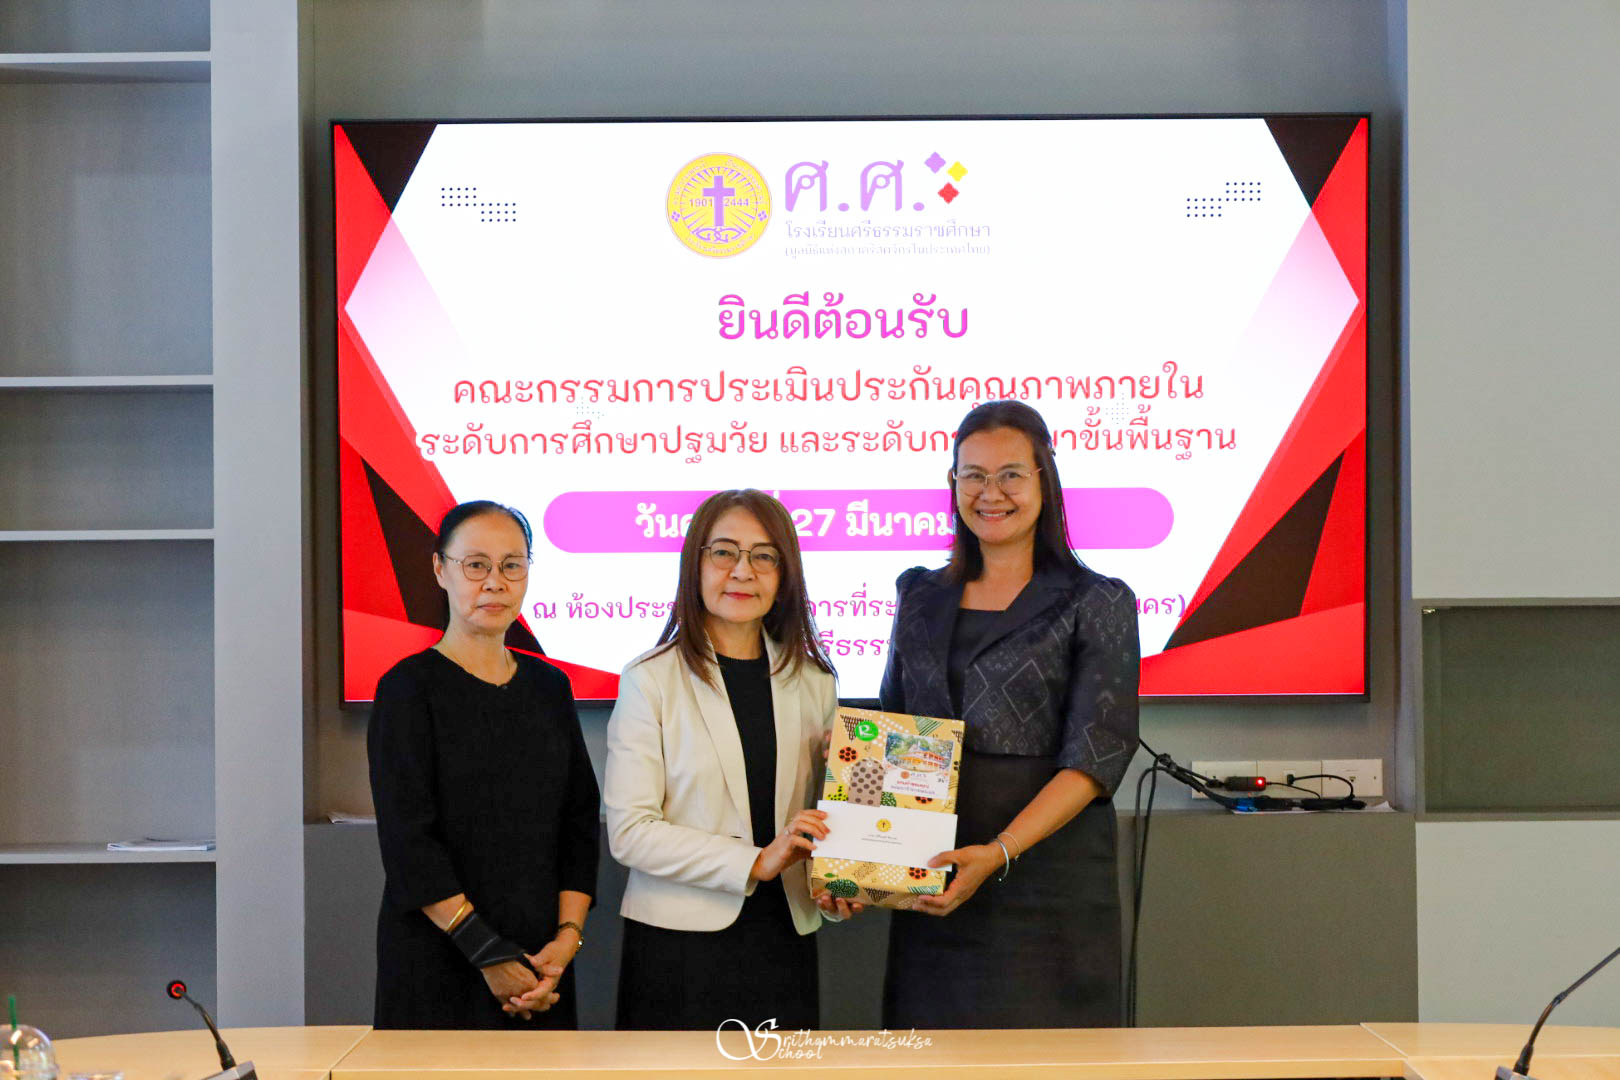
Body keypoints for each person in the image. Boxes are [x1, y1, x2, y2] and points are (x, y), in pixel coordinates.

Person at [879, 400, 1140, 1029]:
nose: (989, 493)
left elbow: (1097, 755)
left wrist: (998, 853)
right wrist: (864, 865)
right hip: (936, 877)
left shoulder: (1096, 600)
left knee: (1048, 1064)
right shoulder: (919, 594)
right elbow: (893, 733)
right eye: (972, 475)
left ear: (1044, 481)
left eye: (1010, 475)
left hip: (1047, 888)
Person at [605, 488, 861, 1031]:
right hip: (677, 951)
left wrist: (837, 882)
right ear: (694, 564)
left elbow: (820, 823)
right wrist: (753, 861)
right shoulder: (650, 678)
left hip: (784, 941)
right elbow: (630, 833)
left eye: (764, 556)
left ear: (784, 574)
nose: (743, 571)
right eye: (724, 552)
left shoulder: (814, 681)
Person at [367, 500, 600, 1029]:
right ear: (440, 569)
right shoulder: (407, 688)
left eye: (512, 565)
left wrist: (566, 942)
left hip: (542, 965)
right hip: (439, 960)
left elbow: (578, 824)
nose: (495, 582)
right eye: (476, 565)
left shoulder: (550, 687)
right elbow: (408, 843)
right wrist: (489, 954)